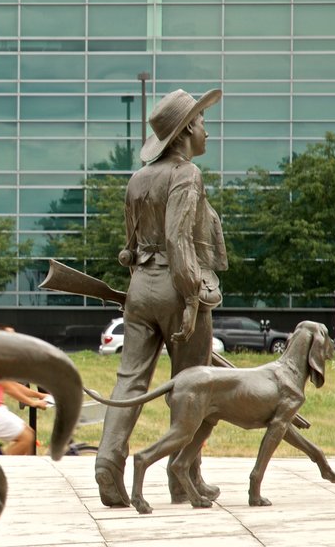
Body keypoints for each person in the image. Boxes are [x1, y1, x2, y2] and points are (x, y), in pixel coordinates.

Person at [95, 88, 228, 507]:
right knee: (192, 387)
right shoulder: (186, 174)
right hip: (177, 287)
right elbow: (178, 240)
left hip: (140, 289)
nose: (207, 129)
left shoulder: (138, 178)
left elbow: (130, 246)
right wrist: (191, 299)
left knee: (129, 380)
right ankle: (182, 476)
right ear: (187, 129)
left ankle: (108, 461)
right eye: (203, 121)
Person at [0, 327, 51, 455]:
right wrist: (32, 403)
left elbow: (12, 385)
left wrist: (39, 395)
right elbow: (8, 388)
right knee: (26, 438)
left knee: (29, 434)